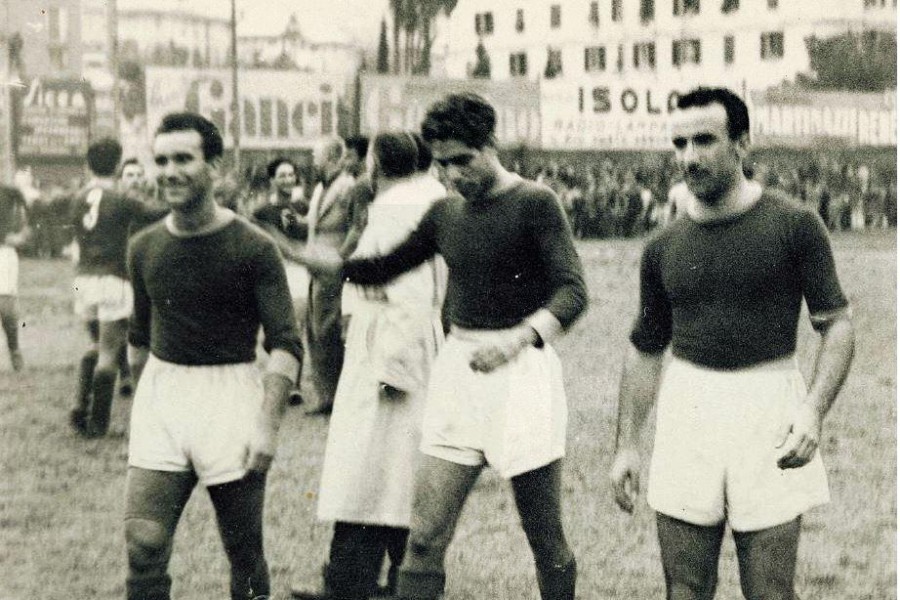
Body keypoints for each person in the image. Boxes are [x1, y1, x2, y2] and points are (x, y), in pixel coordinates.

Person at [295, 93, 588, 600]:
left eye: (463, 161)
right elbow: (382, 266)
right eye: (443, 164)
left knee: (544, 538)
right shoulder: (444, 213)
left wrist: (520, 337)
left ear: (490, 145)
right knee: (425, 538)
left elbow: (573, 290)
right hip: (458, 373)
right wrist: (316, 261)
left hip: (523, 374)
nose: (452, 175)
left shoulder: (536, 203)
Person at [609, 87, 855, 600]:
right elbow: (646, 347)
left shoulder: (794, 225)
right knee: (685, 590)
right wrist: (628, 445)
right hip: (689, 409)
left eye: (704, 140)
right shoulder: (662, 247)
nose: (689, 157)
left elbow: (837, 327)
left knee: (769, 592)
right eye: (679, 144)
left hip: (769, 410)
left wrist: (811, 412)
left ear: (741, 144)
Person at [124, 112, 303, 600]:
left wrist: (267, 426)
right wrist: (144, 403)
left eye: (184, 158)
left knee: (244, 554)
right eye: (161, 160)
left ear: (216, 168)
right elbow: (138, 337)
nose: (169, 171)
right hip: (164, 394)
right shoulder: (143, 247)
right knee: (143, 543)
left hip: (230, 397)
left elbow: (286, 343)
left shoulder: (254, 248)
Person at [292, 131, 447, 600]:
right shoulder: (416, 202)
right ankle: (356, 580)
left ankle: (368, 584)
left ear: (377, 165)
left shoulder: (400, 209)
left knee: (381, 476)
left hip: (394, 357)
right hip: (388, 349)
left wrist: (393, 368)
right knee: (381, 478)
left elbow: (411, 297)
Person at [69, 138, 167, 438]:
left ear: (88, 164)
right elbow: (155, 213)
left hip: (83, 278)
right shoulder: (120, 198)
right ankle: (98, 424)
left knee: (96, 346)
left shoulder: (79, 197)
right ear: (117, 164)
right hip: (113, 277)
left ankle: (79, 405)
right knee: (110, 353)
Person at [304, 136, 357, 414]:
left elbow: (355, 227)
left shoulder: (348, 188)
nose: (314, 160)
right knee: (314, 330)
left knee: (329, 330)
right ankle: (326, 394)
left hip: (334, 269)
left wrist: (342, 258)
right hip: (316, 269)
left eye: (318, 155)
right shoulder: (318, 190)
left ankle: (336, 396)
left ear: (335, 159)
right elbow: (317, 225)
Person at [254, 157, 310, 406]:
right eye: (282, 175)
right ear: (272, 180)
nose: (287, 180)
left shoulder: (305, 207)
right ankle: (276, 377)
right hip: (272, 272)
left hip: (299, 270)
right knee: (270, 330)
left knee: (295, 326)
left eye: (291, 175)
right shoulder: (262, 211)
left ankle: (295, 386)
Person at [0, 184, 29, 371]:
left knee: (6, 306)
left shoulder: (8, 192)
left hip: (3, 253)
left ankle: (14, 349)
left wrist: (21, 233)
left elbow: (27, 214)